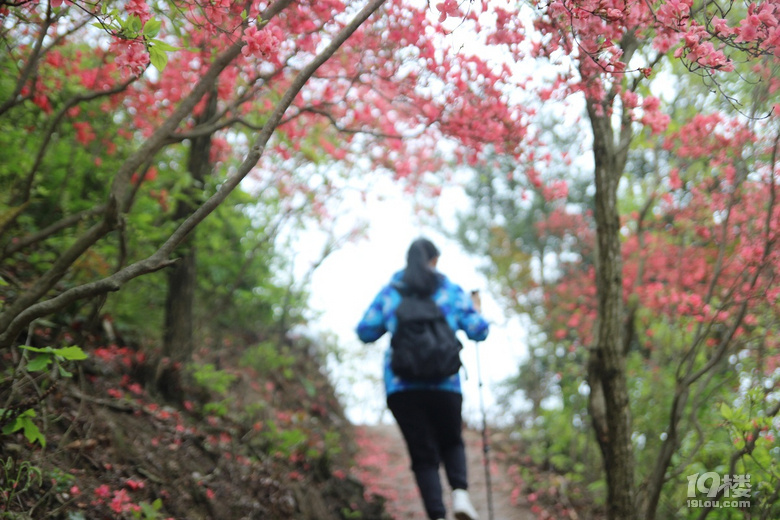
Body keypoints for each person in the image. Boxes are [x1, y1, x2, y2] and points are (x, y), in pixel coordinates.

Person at [356, 238, 488, 520]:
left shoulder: (392, 292)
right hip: (445, 383)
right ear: (433, 261)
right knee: (452, 440)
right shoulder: (449, 291)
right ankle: (461, 495)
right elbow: (478, 330)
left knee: (423, 455)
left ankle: (437, 515)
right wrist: (476, 310)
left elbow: (365, 330)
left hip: (402, 387)